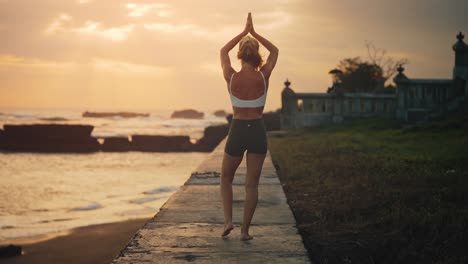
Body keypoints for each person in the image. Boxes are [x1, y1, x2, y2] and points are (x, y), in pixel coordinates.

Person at [219, 12, 279, 241]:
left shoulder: (230, 76)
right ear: (256, 56)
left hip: (237, 130)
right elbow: (275, 51)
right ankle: (245, 232)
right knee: (251, 185)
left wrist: (243, 33)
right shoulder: (264, 76)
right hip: (257, 130)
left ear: (240, 54)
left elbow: (223, 51)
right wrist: (254, 33)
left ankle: (227, 221)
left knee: (226, 179)